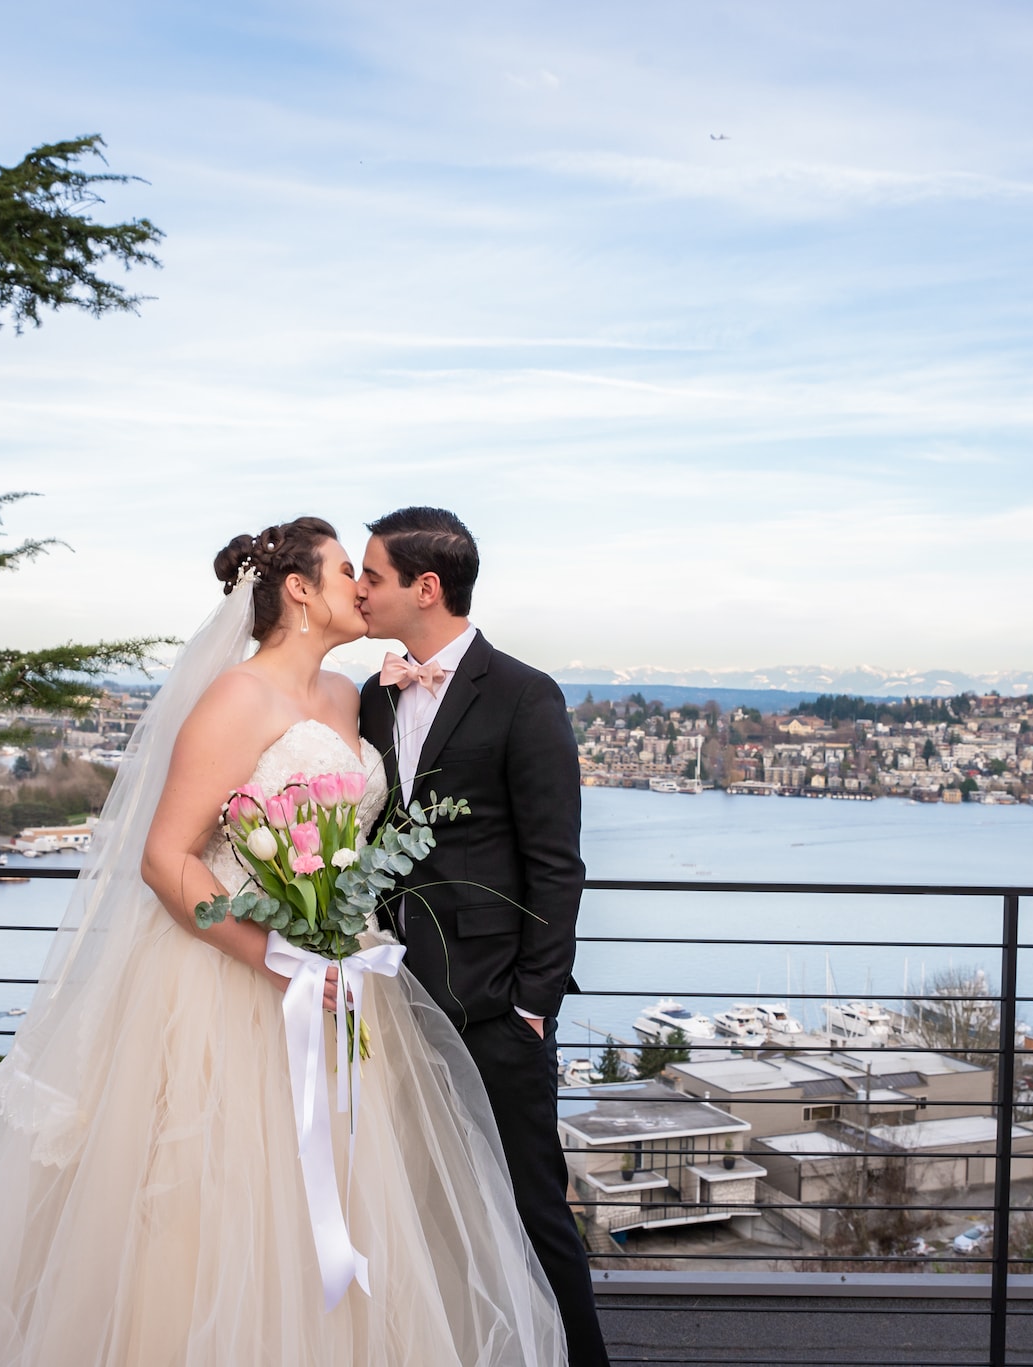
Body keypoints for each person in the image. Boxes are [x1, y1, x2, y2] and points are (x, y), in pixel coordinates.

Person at [0, 517, 567, 1366]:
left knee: (344, 1202)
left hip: (350, 976)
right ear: (300, 591)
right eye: (348, 573)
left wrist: (338, 942)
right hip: (239, 979)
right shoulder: (235, 698)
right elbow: (164, 859)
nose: (360, 589)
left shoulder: (356, 694)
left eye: (370, 576)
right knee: (219, 1209)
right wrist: (273, 953)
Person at [355, 507, 610, 1367]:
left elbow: (556, 863)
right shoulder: (372, 692)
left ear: (425, 588)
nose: (359, 590)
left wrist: (533, 1005)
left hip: (496, 1007)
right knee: (423, 1205)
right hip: (391, 999)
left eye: (372, 577)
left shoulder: (524, 694)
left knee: (533, 1207)